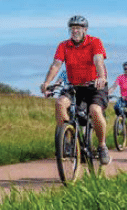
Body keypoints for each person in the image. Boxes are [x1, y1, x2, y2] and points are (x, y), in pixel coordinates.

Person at [40, 15, 111, 165]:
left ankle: (102, 146)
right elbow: (56, 65)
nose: (75, 31)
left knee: (95, 110)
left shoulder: (95, 42)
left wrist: (101, 77)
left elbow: (98, 60)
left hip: (95, 85)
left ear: (85, 30)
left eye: (78, 28)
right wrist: (46, 83)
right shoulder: (63, 45)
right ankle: (67, 139)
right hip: (75, 86)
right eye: (72, 28)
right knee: (60, 103)